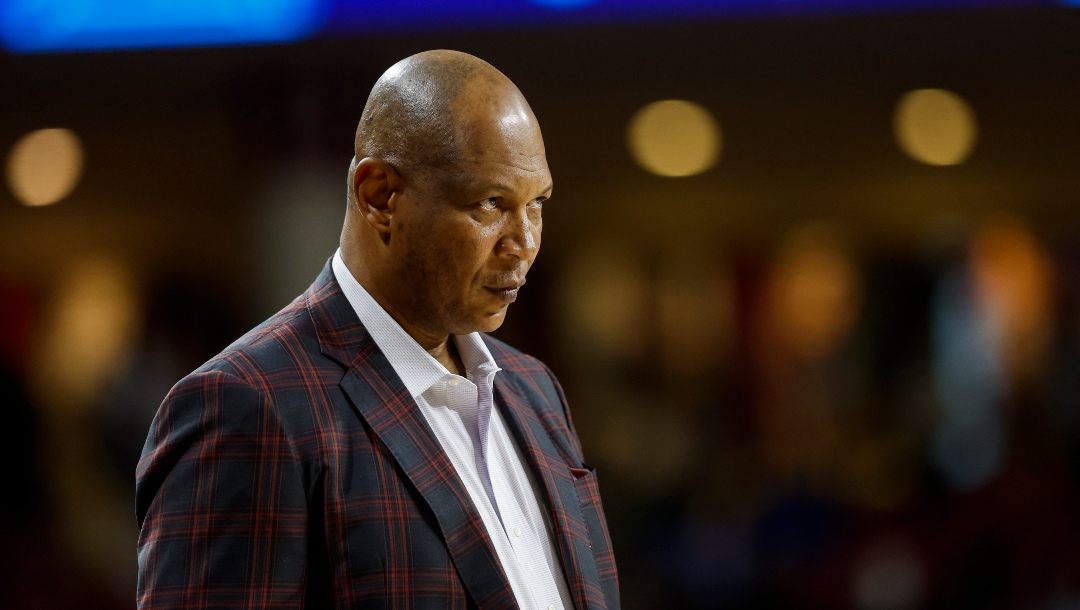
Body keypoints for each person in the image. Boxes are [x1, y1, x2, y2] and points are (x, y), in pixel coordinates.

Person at [135, 50, 619, 609]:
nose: (525, 242)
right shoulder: (246, 406)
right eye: (491, 203)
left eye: (537, 204)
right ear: (380, 196)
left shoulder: (535, 390)